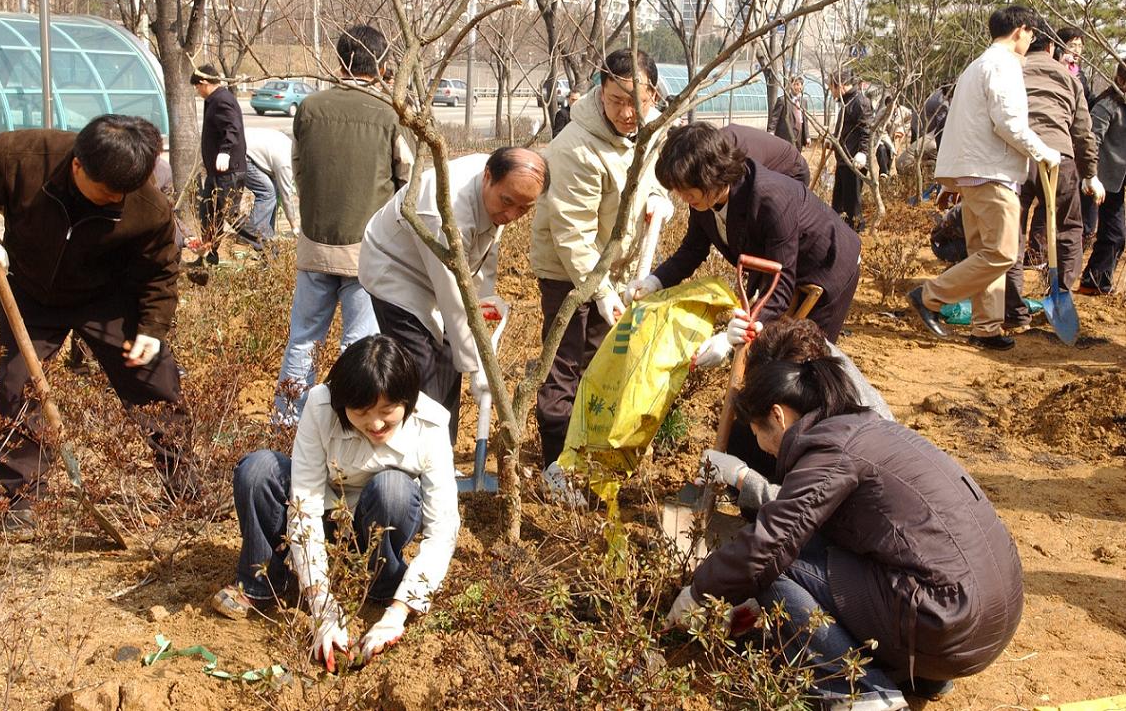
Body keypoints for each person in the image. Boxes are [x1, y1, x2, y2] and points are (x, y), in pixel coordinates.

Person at [666, 319, 1024, 710]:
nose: (760, 444)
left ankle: (868, 696)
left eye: (755, 431)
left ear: (778, 414)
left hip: (949, 623)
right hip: (992, 612)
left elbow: (767, 548)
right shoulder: (861, 425)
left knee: (775, 570)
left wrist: (698, 591)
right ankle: (924, 678)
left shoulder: (830, 452)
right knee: (819, 545)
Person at [0, 115, 194, 538]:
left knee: (156, 381)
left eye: (125, 193)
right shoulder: (18, 158)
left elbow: (160, 271)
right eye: (108, 192)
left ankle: (185, 485)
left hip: (107, 296)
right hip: (30, 290)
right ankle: (19, 501)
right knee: (18, 386)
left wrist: (152, 328)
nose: (117, 200)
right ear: (78, 166)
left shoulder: (146, 206)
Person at [214, 335, 458, 669]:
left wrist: (399, 612)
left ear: (408, 400)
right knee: (258, 470)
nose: (375, 424)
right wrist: (321, 605)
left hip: (379, 521)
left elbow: (442, 531)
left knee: (394, 489)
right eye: (361, 412)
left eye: (388, 412)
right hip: (329, 513)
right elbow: (306, 499)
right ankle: (264, 581)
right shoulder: (321, 406)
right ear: (343, 403)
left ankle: (382, 584)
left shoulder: (430, 425)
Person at [529, 47, 673, 506]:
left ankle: (585, 465)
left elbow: (646, 179)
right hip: (568, 275)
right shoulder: (575, 146)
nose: (628, 113)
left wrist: (657, 197)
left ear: (653, 92)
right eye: (616, 101)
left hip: (612, 271)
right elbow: (572, 235)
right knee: (564, 367)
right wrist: (602, 292)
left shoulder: (646, 130)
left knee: (602, 368)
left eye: (639, 100)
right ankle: (555, 466)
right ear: (599, 90)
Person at [273, 25, 413, 422]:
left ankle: (288, 421)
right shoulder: (389, 114)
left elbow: (298, 168)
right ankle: (344, 422)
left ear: (339, 60)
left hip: (315, 244)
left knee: (303, 340)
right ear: (383, 65)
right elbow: (408, 180)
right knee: (359, 343)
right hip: (368, 251)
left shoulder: (310, 108)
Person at [360, 148, 548, 442]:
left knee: (449, 359)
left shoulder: (498, 188)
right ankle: (416, 462)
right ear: (488, 177)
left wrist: (482, 313)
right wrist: (477, 363)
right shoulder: (444, 210)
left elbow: (484, 255)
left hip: (435, 273)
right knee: (420, 366)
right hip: (395, 271)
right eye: (508, 202)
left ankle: (441, 455)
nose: (512, 215)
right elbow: (450, 293)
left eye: (524, 209)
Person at [906, 6, 1061, 351]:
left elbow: (965, 127)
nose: (1031, 40)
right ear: (1021, 30)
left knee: (984, 252)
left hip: (975, 174)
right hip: (993, 173)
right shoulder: (1002, 66)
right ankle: (929, 296)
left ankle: (986, 327)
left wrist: (951, 182)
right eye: (1032, 34)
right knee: (1003, 253)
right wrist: (1044, 152)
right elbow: (1008, 123)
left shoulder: (976, 66)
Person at [630, 122, 860, 349]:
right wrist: (654, 281)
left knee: (807, 354)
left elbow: (779, 286)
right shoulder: (701, 198)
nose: (682, 197)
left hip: (829, 264)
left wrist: (732, 339)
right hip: (783, 261)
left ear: (711, 176)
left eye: (686, 190)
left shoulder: (771, 200)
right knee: (766, 349)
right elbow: (692, 250)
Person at [693, 318, 892, 517]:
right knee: (741, 436)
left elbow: (806, 510)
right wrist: (733, 347)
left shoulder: (838, 434)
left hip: (862, 509)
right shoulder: (803, 359)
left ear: (778, 415)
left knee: (807, 542)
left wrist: (742, 478)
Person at [1004, 20, 1101, 330]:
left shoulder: (1011, 70)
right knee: (1070, 228)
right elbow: (1084, 133)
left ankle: (1015, 313)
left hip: (1018, 158)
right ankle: (1060, 295)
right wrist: (1091, 174)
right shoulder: (1070, 79)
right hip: (1060, 158)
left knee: (1013, 233)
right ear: (1051, 48)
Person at [191, 64, 249, 264]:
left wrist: (224, 152)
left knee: (230, 214)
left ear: (205, 83)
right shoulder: (213, 100)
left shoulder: (222, 101)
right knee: (208, 212)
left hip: (229, 171)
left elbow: (232, 127)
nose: (197, 91)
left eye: (197, 86)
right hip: (216, 173)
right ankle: (208, 258)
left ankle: (264, 244)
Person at [1078, 61, 1126, 295]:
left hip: (1115, 182)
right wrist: (1090, 176)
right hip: (1097, 179)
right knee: (1089, 230)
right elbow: (1092, 140)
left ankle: (1094, 281)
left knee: (1116, 234)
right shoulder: (1107, 105)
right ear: (1121, 81)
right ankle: (1090, 282)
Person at [1056, 27, 1098, 243]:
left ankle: (1086, 232)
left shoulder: (1080, 74)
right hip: (1059, 140)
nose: (1077, 51)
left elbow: (1089, 104)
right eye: (1072, 45)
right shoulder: (1054, 69)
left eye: (1080, 46)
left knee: (1084, 183)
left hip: (1078, 139)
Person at [826, 70, 872, 230]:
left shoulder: (859, 101)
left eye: (832, 87)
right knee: (838, 203)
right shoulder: (846, 102)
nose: (832, 92)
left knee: (852, 205)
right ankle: (840, 232)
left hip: (854, 162)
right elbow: (845, 129)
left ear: (840, 86)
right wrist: (833, 141)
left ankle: (856, 234)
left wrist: (863, 153)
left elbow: (867, 130)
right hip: (844, 160)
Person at [244, 126, 298, 236]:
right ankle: (254, 235)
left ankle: (268, 233)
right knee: (268, 192)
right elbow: (286, 196)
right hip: (239, 153)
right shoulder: (286, 165)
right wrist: (294, 226)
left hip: (246, 146)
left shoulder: (293, 147)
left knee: (274, 190)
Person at [767, 76, 811, 150]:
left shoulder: (803, 102)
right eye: (795, 84)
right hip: (785, 137)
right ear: (791, 85)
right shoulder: (783, 100)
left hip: (799, 138)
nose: (797, 87)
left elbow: (805, 120)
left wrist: (807, 136)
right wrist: (771, 132)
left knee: (797, 158)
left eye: (799, 85)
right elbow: (775, 118)